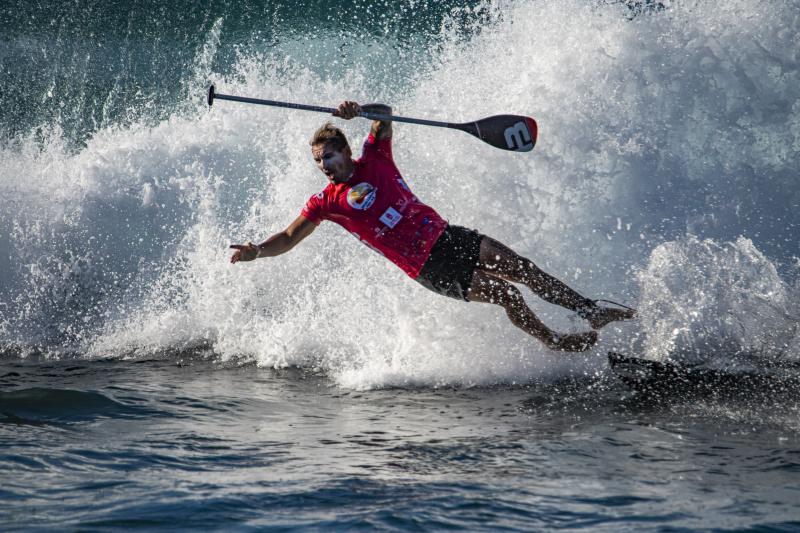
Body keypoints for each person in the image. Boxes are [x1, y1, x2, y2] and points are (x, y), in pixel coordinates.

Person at [230, 101, 635, 351]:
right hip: (428, 267)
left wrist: (359, 111)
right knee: (508, 296)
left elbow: (384, 116)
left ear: (346, 151)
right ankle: (555, 343)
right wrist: (256, 251)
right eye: (318, 161)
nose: (325, 166)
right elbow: (287, 237)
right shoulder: (325, 203)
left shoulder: (376, 157)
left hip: (447, 235)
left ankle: (590, 310)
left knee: (522, 267)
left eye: (330, 156)